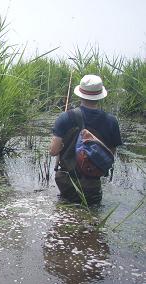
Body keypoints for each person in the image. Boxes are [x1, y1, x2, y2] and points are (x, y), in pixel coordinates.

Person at [49, 74, 122, 204]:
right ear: (100, 96)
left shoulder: (65, 117)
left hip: (66, 182)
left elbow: (53, 151)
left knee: (64, 216)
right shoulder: (111, 121)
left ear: (80, 94)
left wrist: (61, 146)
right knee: (91, 218)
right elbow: (110, 155)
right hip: (92, 183)